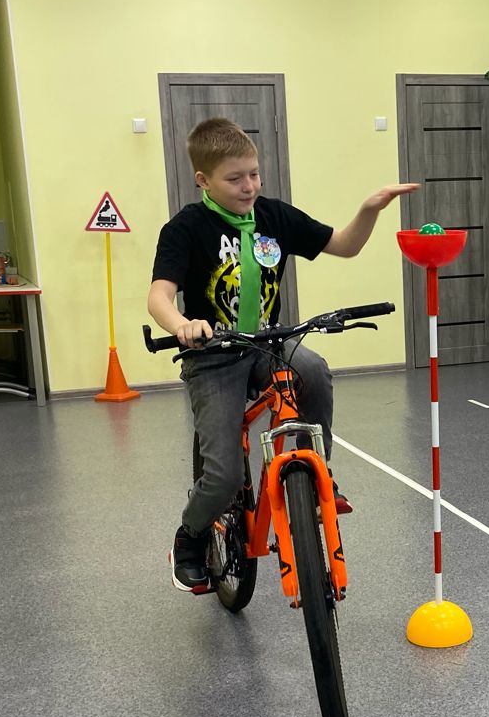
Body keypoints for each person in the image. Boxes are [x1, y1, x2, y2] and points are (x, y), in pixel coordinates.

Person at [147, 117, 416, 592]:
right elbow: (159, 297)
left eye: (254, 174)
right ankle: (190, 537)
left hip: (268, 344)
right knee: (224, 476)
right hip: (214, 355)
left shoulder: (274, 217)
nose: (249, 186)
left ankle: (317, 472)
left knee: (312, 369)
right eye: (235, 178)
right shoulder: (185, 229)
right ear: (203, 180)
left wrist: (369, 210)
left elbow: (345, 245)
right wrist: (182, 325)